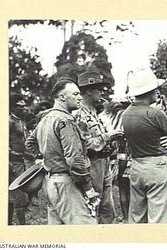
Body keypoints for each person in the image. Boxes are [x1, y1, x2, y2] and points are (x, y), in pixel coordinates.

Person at [25, 77, 98, 225]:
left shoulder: (46, 118)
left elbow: (30, 143)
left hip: (51, 182)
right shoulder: (66, 120)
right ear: (62, 97)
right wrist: (88, 188)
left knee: (58, 233)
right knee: (87, 233)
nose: (80, 97)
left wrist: (48, 155)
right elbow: (74, 160)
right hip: (68, 184)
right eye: (75, 94)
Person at [122, 67, 167, 223]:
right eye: (156, 89)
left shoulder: (125, 114)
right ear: (148, 91)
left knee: (137, 215)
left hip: (136, 165)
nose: (158, 92)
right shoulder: (156, 113)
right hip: (156, 165)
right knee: (158, 215)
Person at [73, 71, 123, 224]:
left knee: (108, 210)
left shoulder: (94, 111)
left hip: (104, 163)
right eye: (99, 89)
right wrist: (109, 136)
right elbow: (84, 144)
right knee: (92, 207)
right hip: (92, 165)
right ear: (88, 90)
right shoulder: (79, 114)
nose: (102, 93)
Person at [9, 93, 29, 225]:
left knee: (17, 194)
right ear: (13, 107)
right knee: (19, 195)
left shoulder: (22, 120)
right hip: (13, 161)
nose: (23, 109)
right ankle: (21, 226)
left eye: (24, 106)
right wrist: (8, 161)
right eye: (19, 106)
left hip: (22, 160)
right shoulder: (9, 122)